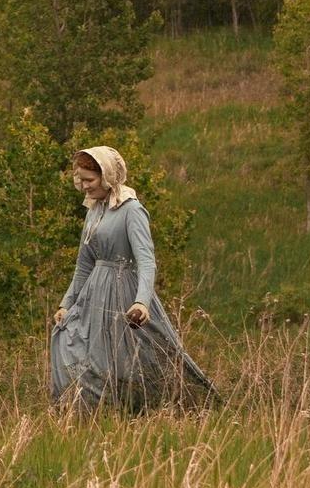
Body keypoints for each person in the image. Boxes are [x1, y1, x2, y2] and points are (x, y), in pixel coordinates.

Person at [47, 145, 212, 411]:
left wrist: (142, 302)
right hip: (93, 295)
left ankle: (161, 409)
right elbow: (84, 263)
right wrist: (66, 303)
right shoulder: (94, 210)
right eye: (81, 180)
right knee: (73, 345)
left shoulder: (131, 209)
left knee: (136, 358)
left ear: (108, 176)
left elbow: (146, 260)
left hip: (124, 292)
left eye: (90, 180)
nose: (84, 186)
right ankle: (91, 415)